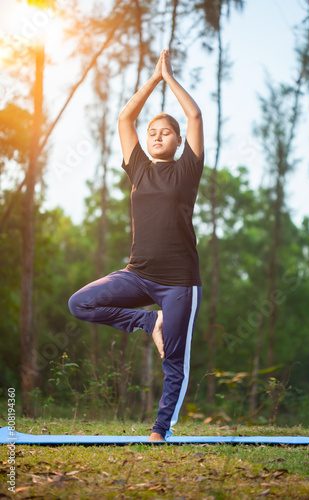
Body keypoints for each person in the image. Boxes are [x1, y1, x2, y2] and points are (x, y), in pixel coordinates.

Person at [68, 49, 204, 442]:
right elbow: (125, 118)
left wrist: (170, 78)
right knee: (80, 303)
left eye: (166, 132)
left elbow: (194, 116)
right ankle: (149, 322)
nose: (157, 135)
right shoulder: (139, 168)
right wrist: (153, 80)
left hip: (179, 281)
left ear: (178, 141)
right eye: (152, 132)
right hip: (138, 275)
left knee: (174, 360)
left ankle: (161, 429)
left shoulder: (187, 170)